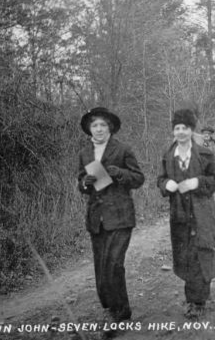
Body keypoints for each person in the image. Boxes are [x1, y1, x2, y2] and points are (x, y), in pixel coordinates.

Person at [77, 107, 145, 329]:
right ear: (89, 129)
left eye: (102, 125)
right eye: (94, 125)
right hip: (97, 219)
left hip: (120, 216)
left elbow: (138, 178)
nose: (98, 129)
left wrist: (118, 173)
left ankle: (121, 312)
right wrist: (84, 183)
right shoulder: (85, 154)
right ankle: (110, 308)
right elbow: (82, 184)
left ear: (110, 128)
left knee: (113, 264)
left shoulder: (122, 149)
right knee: (100, 265)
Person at [156, 109, 215, 320]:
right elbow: (160, 180)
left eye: (185, 128)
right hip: (180, 214)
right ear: (173, 131)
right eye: (177, 128)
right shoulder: (168, 155)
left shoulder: (204, 153)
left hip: (202, 212)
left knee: (203, 250)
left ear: (192, 130)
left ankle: (198, 300)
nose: (181, 132)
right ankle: (194, 297)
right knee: (186, 255)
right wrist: (168, 184)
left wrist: (197, 182)